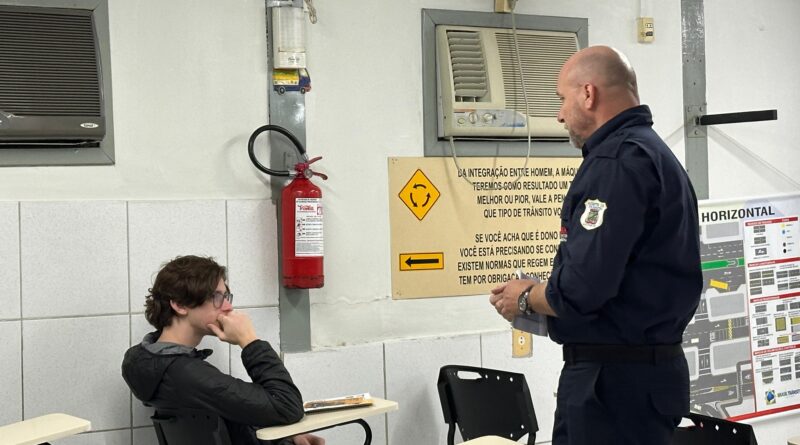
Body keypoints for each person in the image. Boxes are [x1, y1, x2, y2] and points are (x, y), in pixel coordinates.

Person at [489, 45, 702, 445]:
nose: (559, 115)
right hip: (643, 378)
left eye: (561, 99)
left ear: (588, 94)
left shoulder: (616, 163)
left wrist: (525, 297)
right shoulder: (656, 155)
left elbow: (583, 290)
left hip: (612, 387)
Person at [121, 255, 324, 445]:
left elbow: (228, 425)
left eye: (226, 296)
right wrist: (250, 341)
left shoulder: (150, 362)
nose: (227, 306)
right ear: (180, 304)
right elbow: (287, 406)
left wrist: (283, 439)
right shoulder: (186, 373)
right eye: (216, 297)